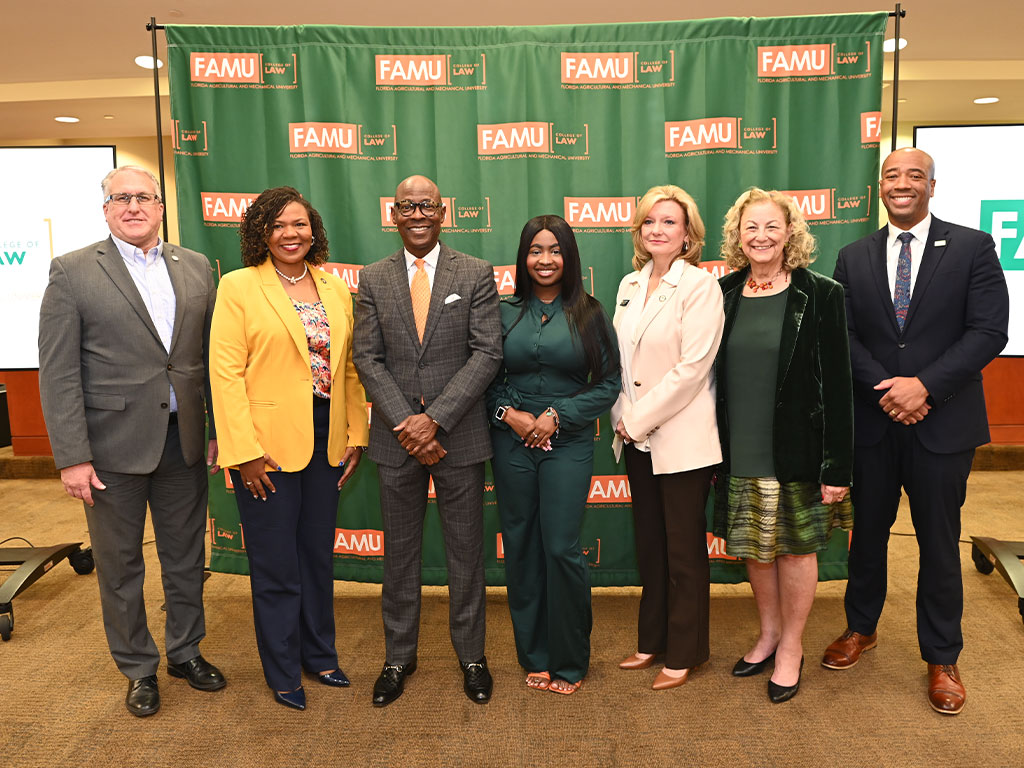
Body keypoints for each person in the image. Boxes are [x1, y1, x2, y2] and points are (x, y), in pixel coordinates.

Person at [823, 148, 1009, 715]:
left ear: (932, 185)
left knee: (938, 542)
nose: (901, 183)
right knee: (868, 538)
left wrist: (924, 386)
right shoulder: (854, 255)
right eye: (890, 175)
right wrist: (890, 389)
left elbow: (987, 331)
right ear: (880, 187)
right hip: (874, 425)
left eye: (913, 175)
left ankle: (942, 654)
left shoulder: (973, 247)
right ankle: (861, 627)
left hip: (943, 422)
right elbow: (842, 335)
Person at [37, 165, 225, 717]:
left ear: (161, 206)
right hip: (109, 450)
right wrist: (72, 457)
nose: (133, 206)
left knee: (186, 558)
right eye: (121, 198)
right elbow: (59, 372)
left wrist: (217, 430)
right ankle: (138, 667)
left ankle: (185, 652)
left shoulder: (193, 267)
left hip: (183, 442)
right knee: (121, 566)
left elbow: (210, 361)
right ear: (105, 209)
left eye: (144, 196)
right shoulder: (72, 272)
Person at [209, 186, 369, 711]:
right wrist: (243, 451)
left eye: (299, 224)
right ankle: (282, 670)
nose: (290, 234)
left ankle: (320, 655)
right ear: (261, 232)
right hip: (266, 448)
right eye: (278, 225)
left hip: (327, 441)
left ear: (313, 230)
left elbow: (348, 367)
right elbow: (226, 375)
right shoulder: (238, 287)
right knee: (277, 565)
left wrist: (357, 432)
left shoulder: (335, 287)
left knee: (316, 558)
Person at [353, 174, 502, 707]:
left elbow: (487, 353)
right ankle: (399, 656)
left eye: (427, 205)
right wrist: (407, 423)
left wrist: (433, 420)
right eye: (406, 206)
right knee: (400, 555)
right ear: (393, 214)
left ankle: (472, 657)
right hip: (396, 440)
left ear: (443, 211)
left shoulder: (475, 272)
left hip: (457, 437)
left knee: (466, 555)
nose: (417, 214)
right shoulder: (372, 278)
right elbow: (366, 357)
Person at [713, 187, 854, 704]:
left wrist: (837, 465)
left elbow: (839, 386)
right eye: (751, 227)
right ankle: (768, 633)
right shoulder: (723, 291)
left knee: (795, 550)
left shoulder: (822, 294)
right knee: (754, 547)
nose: (761, 236)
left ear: (790, 232)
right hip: (739, 446)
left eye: (772, 226)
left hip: (799, 448)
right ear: (737, 236)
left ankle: (791, 646)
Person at [486, 215, 620, 695]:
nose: (545, 260)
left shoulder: (591, 313)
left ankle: (569, 660)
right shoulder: (501, 311)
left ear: (569, 257)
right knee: (521, 549)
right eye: (535, 251)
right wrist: (511, 415)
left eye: (555, 250)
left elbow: (608, 384)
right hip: (512, 444)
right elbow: (486, 380)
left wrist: (556, 416)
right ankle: (535, 656)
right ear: (523, 258)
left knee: (561, 548)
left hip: (567, 445)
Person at [611, 185, 724, 691]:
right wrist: (622, 418)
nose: (658, 230)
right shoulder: (628, 284)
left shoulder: (701, 287)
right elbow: (619, 365)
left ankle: (685, 651)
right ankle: (651, 641)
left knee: (683, 552)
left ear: (688, 235)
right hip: (634, 439)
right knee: (651, 547)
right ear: (639, 232)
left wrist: (636, 420)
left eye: (669, 223)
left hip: (681, 440)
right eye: (649, 222)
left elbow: (692, 370)